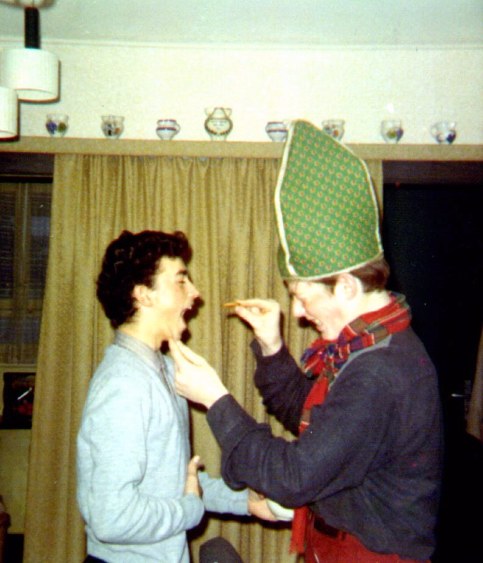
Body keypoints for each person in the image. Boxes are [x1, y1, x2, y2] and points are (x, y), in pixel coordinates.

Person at [169, 121, 443, 562]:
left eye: (302, 296)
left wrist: (215, 400)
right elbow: (318, 421)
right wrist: (273, 348)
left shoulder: (380, 369)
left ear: (346, 287)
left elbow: (295, 475)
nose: (297, 312)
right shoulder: (370, 344)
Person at [76, 229, 273, 563]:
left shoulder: (166, 369)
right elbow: (111, 517)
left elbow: (175, 485)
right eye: (181, 280)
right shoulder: (122, 385)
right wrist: (190, 510)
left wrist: (246, 502)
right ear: (143, 295)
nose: (195, 293)